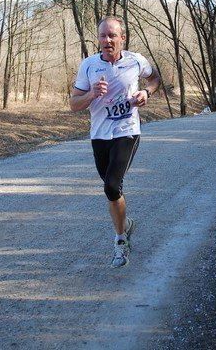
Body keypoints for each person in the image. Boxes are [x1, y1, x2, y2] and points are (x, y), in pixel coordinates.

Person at [70, 16, 161, 268]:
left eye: (112, 35)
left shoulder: (135, 60)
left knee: (111, 186)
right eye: (103, 36)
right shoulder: (89, 66)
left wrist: (146, 92)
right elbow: (74, 104)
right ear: (98, 39)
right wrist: (91, 94)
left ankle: (120, 240)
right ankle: (126, 224)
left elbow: (155, 79)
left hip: (127, 130)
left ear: (122, 38)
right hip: (100, 134)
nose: (107, 40)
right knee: (113, 192)